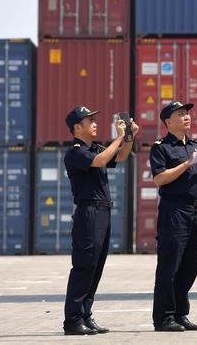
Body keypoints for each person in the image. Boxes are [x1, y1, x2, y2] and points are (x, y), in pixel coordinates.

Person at [62, 106, 138, 336]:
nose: (95, 123)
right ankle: (73, 320)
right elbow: (100, 160)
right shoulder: (76, 152)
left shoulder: (94, 148)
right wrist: (119, 137)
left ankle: (86, 314)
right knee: (84, 266)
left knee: (96, 267)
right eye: (90, 121)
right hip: (89, 213)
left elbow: (121, 157)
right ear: (78, 127)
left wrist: (129, 139)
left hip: (102, 213)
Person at [149, 101, 197, 332]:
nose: (187, 117)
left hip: (196, 209)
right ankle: (163, 317)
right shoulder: (161, 148)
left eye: (187, 114)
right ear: (168, 122)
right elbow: (159, 179)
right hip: (175, 210)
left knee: (190, 264)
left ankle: (181, 314)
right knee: (170, 264)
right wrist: (188, 163)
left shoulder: (195, 146)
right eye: (180, 114)